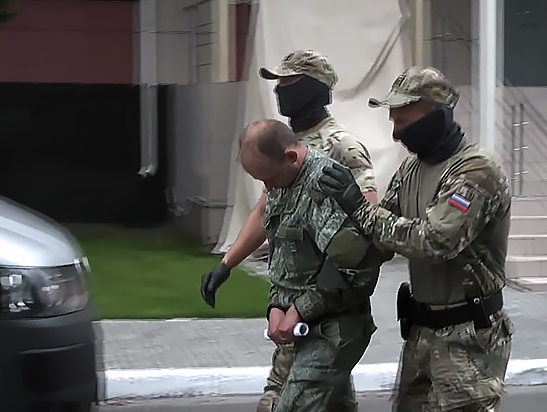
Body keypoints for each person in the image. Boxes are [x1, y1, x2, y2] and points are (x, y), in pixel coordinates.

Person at [318, 66, 514, 412]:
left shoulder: (476, 171)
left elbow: (435, 241)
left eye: (404, 121)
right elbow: (378, 239)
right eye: (393, 121)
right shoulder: (410, 170)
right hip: (421, 333)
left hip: (467, 339)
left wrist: (361, 209)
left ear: (437, 116)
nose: (396, 133)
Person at [199, 50, 379, 412]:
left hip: (327, 309)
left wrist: (308, 302)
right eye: (278, 83)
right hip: (297, 309)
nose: (279, 90)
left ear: (314, 89)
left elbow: (366, 224)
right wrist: (228, 263)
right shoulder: (280, 142)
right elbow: (265, 210)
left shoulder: (340, 147)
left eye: (288, 83)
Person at [237, 119, 380, 412]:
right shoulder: (283, 183)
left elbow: (353, 268)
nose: (267, 188)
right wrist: (276, 305)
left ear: (290, 157)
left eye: (269, 177)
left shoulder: (323, 185)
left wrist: (298, 310)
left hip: (334, 327)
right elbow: (284, 258)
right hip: (301, 327)